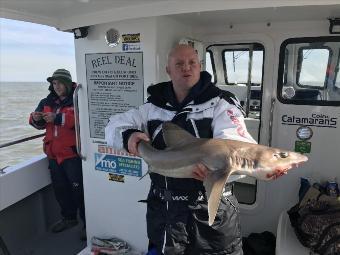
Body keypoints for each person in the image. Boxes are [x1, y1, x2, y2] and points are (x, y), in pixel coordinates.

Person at [105, 44, 256, 254]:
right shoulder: (151, 107)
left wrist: (215, 168)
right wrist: (129, 136)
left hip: (210, 211)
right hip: (163, 212)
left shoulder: (221, 103)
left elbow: (238, 145)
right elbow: (113, 125)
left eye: (192, 63)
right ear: (168, 69)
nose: (187, 68)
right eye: (179, 64)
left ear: (200, 66)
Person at [29, 69, 86, 240]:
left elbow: (80, 119)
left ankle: (87, 223)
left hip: (72, 156)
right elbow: (34, 123)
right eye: (54, 83)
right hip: (54, 156)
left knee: (80, 192)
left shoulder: (77, 99)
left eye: (60, 83)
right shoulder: (46, 101)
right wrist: (36, 118)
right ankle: (69, 219)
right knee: (60, 190)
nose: (57, 86)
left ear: (68, 84)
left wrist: (57, 118)